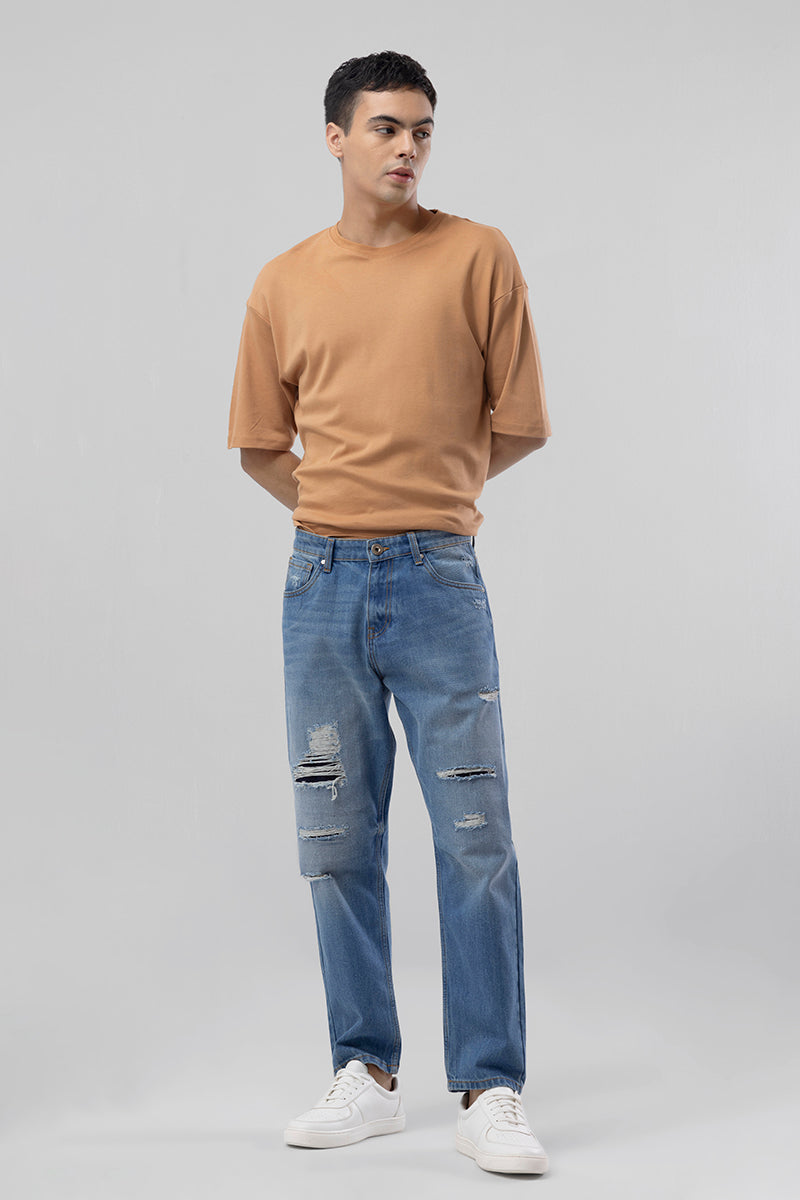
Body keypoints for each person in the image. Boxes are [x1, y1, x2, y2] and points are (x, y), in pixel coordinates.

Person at [227, 50, 552, 1176]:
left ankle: (490, 1086)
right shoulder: (284, 281)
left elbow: (520, 421)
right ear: (336, 137)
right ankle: (364, 1073)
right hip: (319, 583)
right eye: (384, 128)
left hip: (437, 581)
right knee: (333, 837)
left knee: (475, 835)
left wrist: (429, 501)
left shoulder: (476, 256)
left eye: (421, 130)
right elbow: (259, 444)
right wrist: (341, 509)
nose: (406, 148)